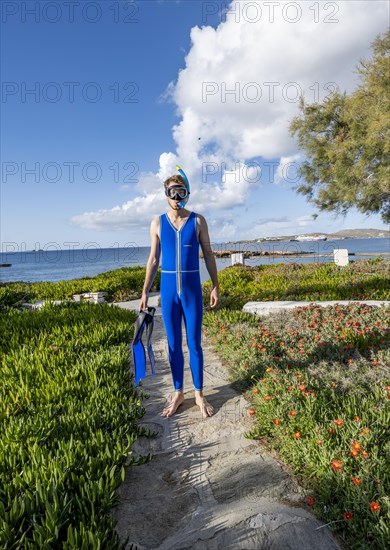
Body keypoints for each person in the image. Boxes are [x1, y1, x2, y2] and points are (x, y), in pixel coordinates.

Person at [139, 171, 220, 418]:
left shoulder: (197, 221)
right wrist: (144, 292)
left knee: (194, 343)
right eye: (172, 191)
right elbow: (154, 259)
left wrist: (215, 285)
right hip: (168, 291)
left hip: (192, 290)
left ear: (186, 194)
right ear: (166, 195)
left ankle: (198, 393)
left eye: (181, 191)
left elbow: (208, 254)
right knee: (173, 345)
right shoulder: (157, 222)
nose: (176, 196)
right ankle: (178, 393)